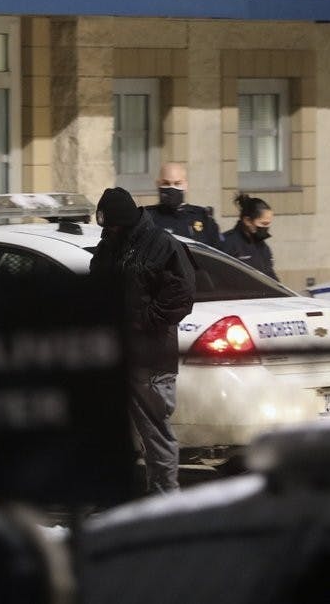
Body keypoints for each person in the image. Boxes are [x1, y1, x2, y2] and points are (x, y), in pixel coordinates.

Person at [89, 187, 196, 494]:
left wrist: (142, 320)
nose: (107, 230)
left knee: (156, 435)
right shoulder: (110, 246)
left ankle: (166, 501)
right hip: (118, 356)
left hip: (151, 360)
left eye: (110, 224)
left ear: (123, 220)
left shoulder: (161, 245)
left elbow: (182, 295)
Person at [145, 162, 222, 248]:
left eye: (177, 184)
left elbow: (219, 255)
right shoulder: (146, 218)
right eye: (166, 183)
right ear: (158, 184)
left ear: (185, 185)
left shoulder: (203, 218)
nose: (172, 188)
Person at [220, 193, 278, 281]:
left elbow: (270, 277)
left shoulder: (262, 246)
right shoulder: (228, 243)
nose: (266, 228)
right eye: (264, 223)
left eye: (269, 223)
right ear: (247, 221)